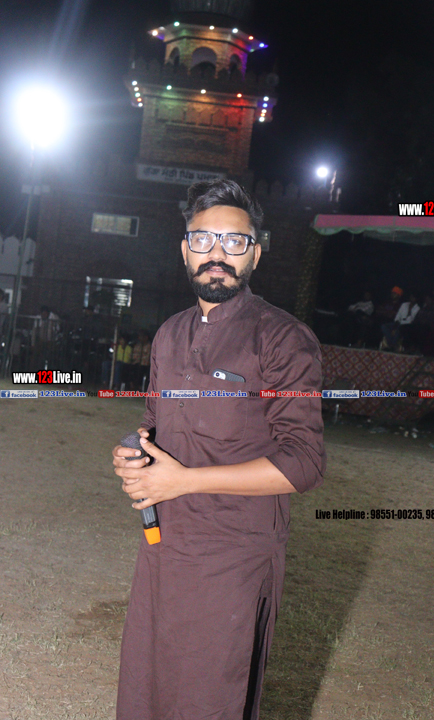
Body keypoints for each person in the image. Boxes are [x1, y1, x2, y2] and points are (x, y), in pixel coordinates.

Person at [112, 179, 326, 720]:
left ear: (255, 253)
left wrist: (184, 480)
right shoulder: (169, 334)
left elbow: (303, 462)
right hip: (163, 546)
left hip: (234, 555)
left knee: (209, 700)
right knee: (147, 690)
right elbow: (154, 422)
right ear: (185, 249)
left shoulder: (282, 338)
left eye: (234, 242)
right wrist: (135, 454)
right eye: (203, 239)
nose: (217, 254)